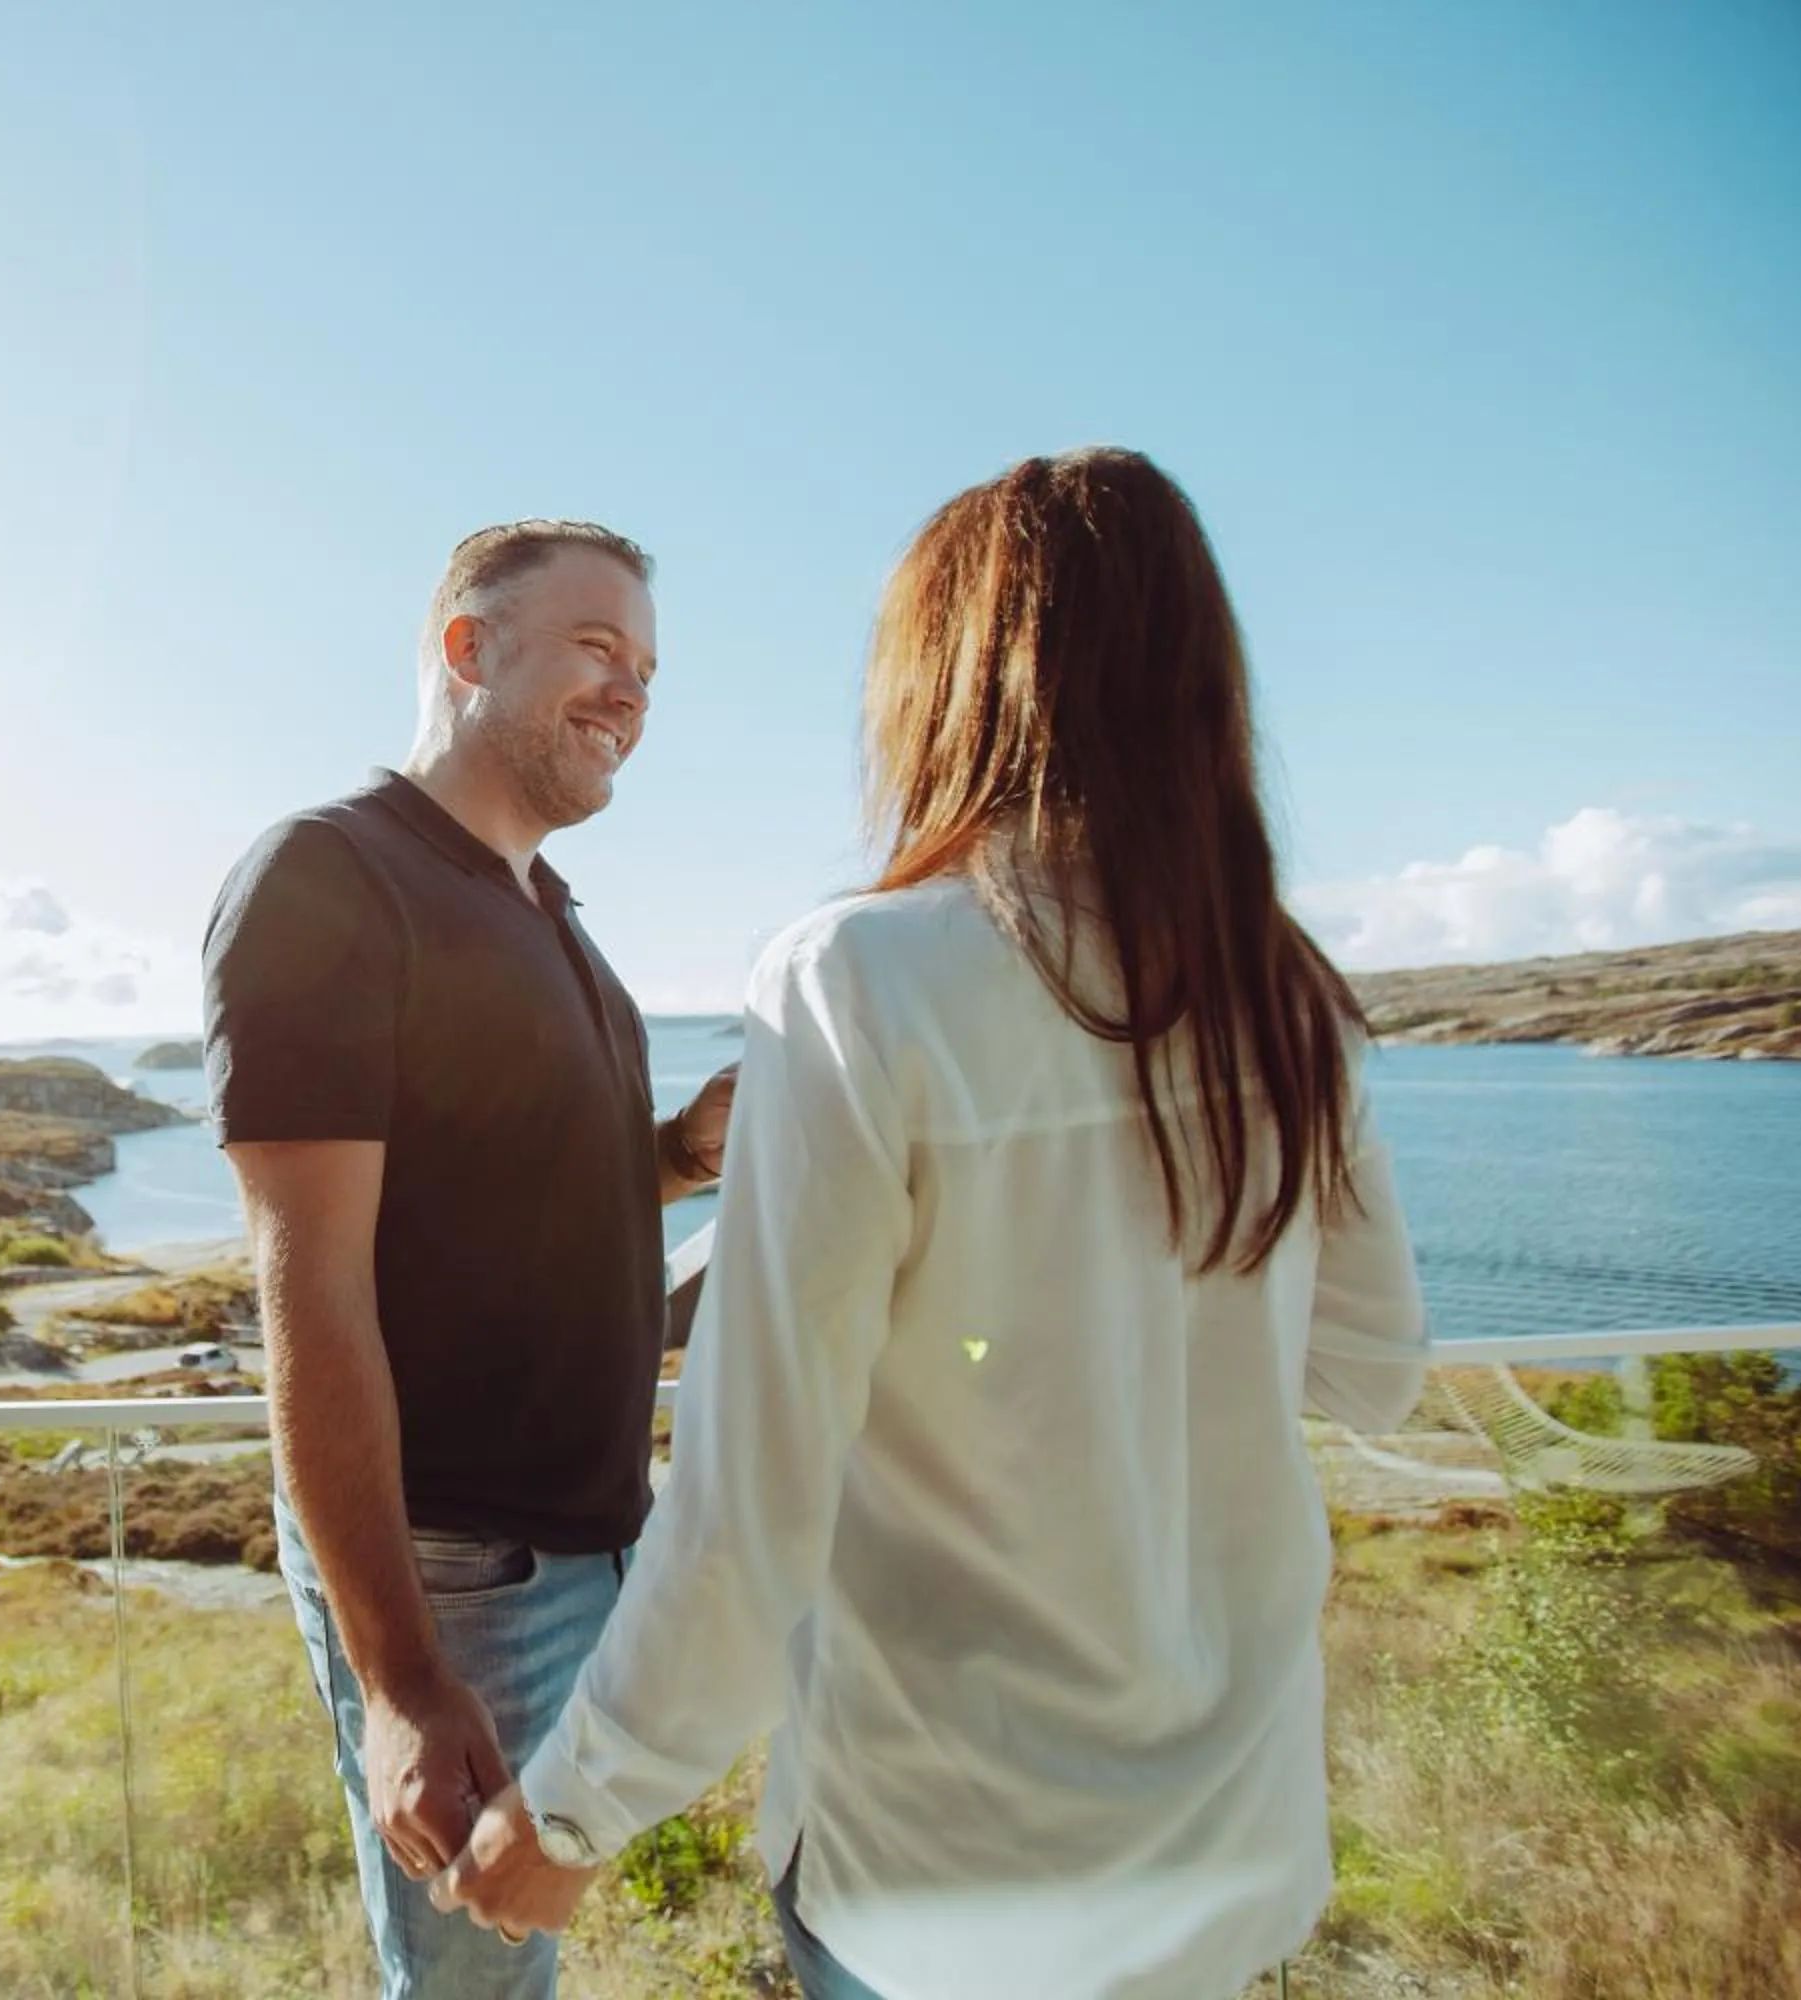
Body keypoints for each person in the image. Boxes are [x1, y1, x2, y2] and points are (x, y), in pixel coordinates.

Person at [433, 451, 1433, 1998]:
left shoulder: (861, 981)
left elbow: (752, 1502)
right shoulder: (1280, 989)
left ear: (947, 680)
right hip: (1228, 1846)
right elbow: (1368, 1364)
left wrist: (570, 1811)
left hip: (951, 1873)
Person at [202, 518, 735, 1998]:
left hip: (599, 1537)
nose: (631, 694)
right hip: (462, 1577)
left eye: (647, 671)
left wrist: (683, 1153)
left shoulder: (550, 913)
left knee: (520, 1951)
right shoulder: (331, 880)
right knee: (471, 1982)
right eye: (596, 650)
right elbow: (310, 1295)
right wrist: (400, 1684)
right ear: (467, 649)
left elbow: (524, 1199)